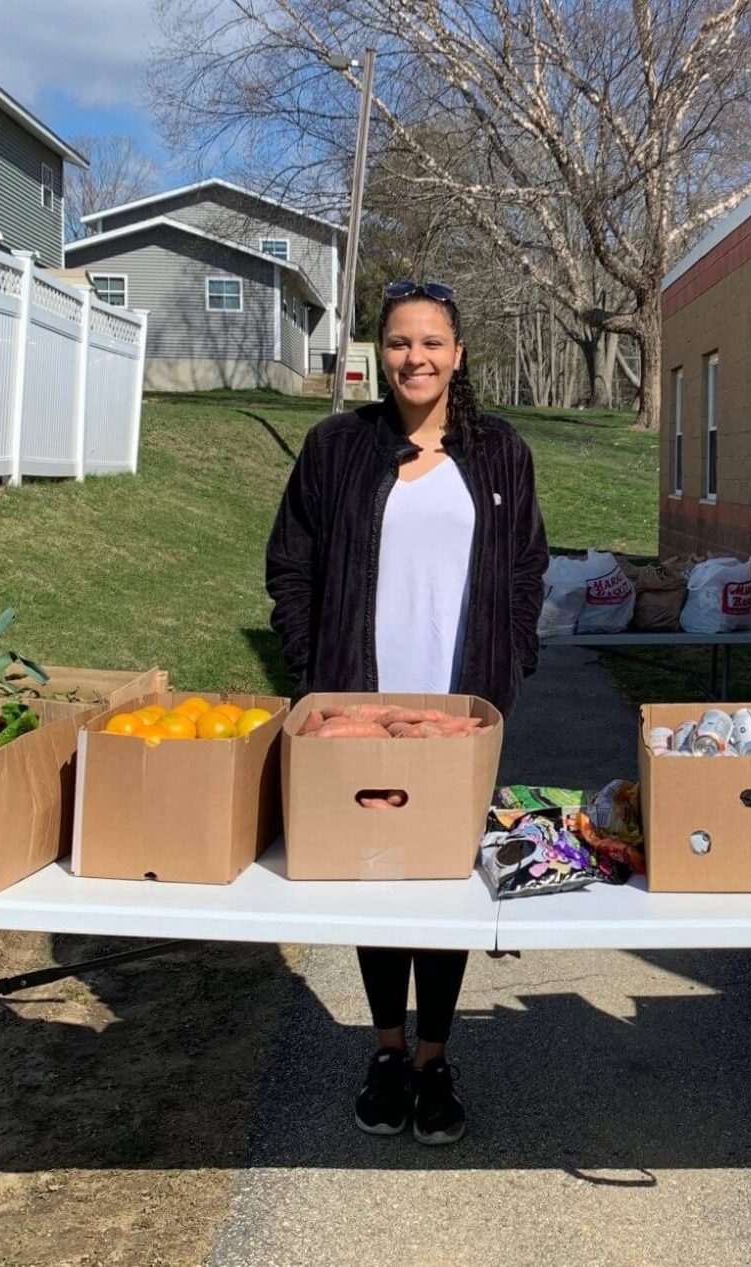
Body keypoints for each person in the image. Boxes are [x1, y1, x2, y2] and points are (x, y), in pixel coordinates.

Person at [266, 280, 549, 1144]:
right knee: (378, 869)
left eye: (431, 342)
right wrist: (314, 671)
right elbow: (292, 563)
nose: (414, 357)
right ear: (376, 353)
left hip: (460, 707)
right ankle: (387, 1049)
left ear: (458, 353)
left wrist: (513, 659)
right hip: (361, 702)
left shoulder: (499, 452)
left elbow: (529, 565)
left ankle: (434, 1054)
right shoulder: (335, 446)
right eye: (398, 342)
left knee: (444, 880)